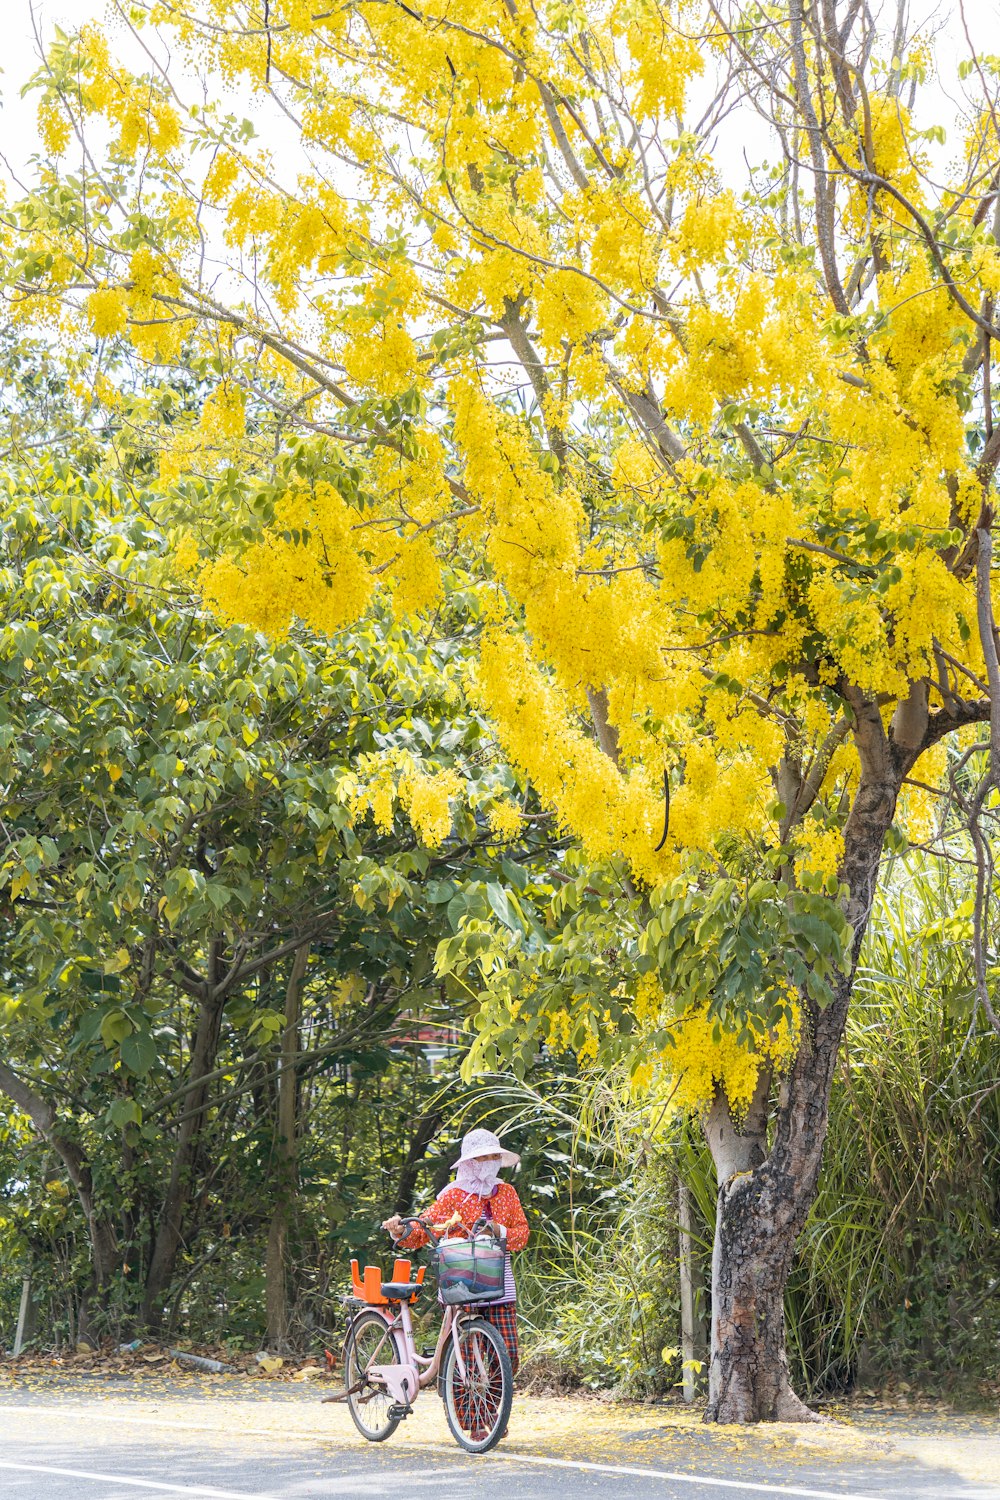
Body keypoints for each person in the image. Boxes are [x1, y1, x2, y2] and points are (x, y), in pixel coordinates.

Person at [381, 1127, 529, 1400]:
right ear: (470, 1162)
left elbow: (522, 1234)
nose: (490, 1162)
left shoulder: (507, 1193)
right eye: (484, 1157)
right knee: (464, 1363)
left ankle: (493, 1413)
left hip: (499, 1286)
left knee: (507, 1357)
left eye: (494, 1156)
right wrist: (399, 1231)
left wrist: (499, 1231)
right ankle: (472, 1427)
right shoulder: (453, 1196)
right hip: (461, 1285)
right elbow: (427, 1227)